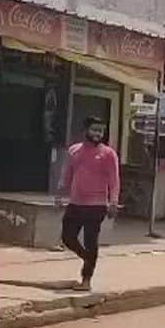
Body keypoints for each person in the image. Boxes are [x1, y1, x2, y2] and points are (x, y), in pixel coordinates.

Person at [58, 116, 120, 291]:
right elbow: (67, 174)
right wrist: (60, 194)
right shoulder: (74, 151)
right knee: (67, 237)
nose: (97, 134)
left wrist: (113, 202)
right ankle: (87, 257)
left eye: (100, 131)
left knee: (90, 240)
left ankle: (86, 279)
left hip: (97, 205)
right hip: (76, 202)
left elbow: (114, 180)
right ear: (85, 130)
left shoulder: (108, 154)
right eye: (94, 130)